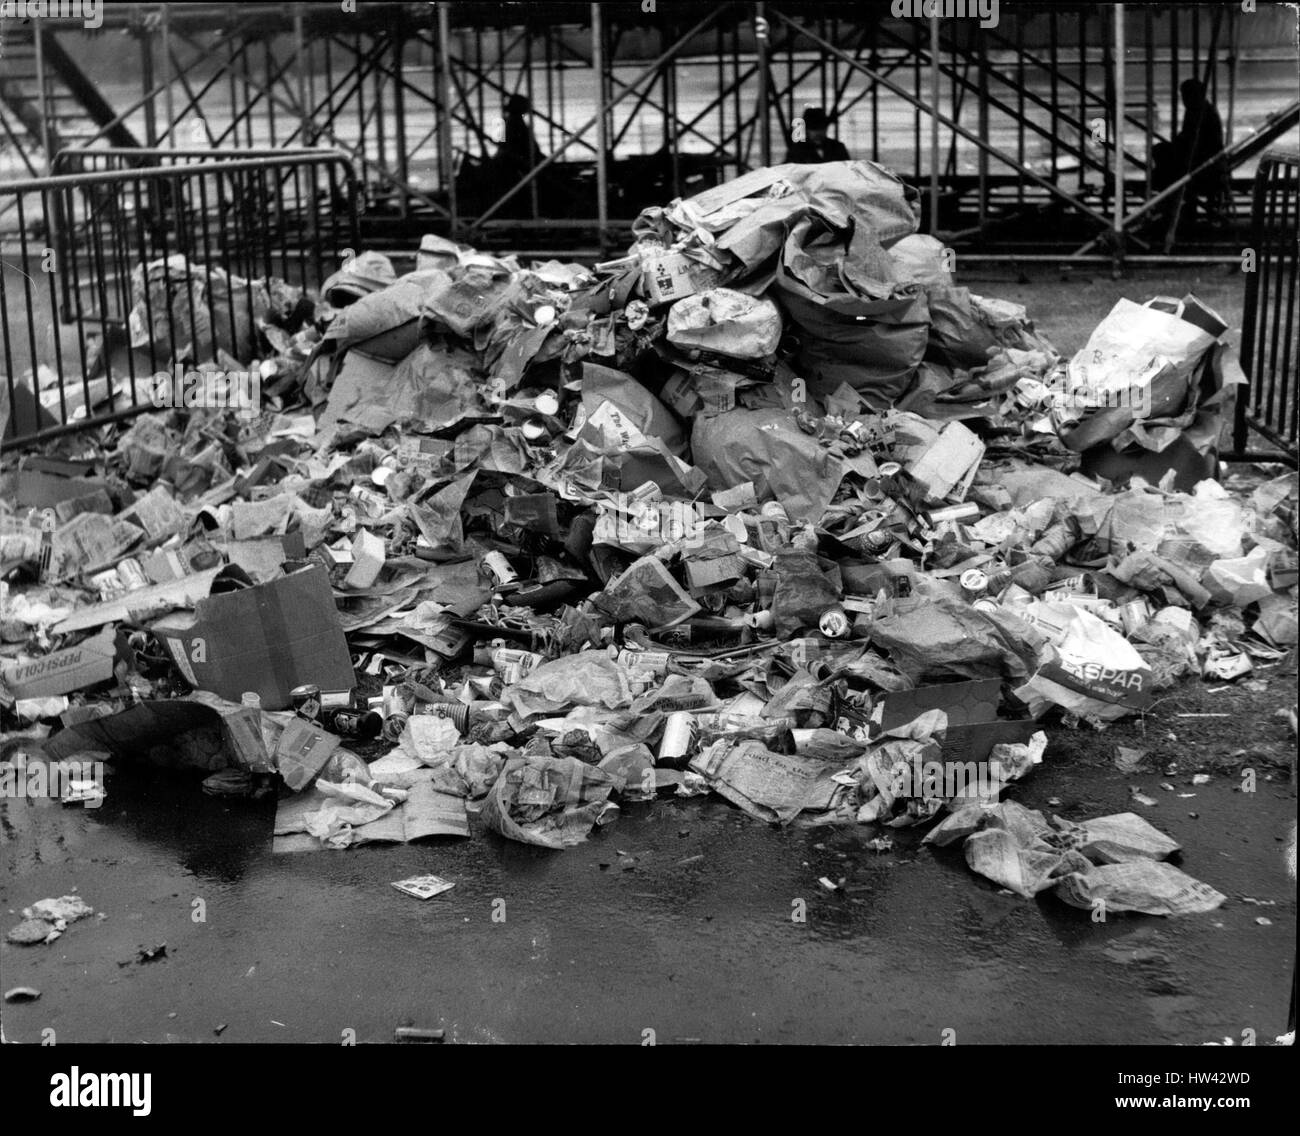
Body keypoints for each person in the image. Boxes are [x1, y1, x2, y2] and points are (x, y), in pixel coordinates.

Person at [1152, 79, 1228, 224]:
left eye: (1185, 95)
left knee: (1161, 155)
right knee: (1162, 153)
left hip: (1204, 162)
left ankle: (1171, 202)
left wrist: (1175, 144)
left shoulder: (1199, 111)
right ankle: (1171, 201)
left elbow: (1191, 139)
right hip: (1202, 158)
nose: (1183, 100)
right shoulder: (1202, 109)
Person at [785, 107, 849, 164]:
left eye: (821, 128)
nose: (818, 133)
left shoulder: (838, 147)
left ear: (826, 128)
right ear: (807, 130)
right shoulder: (797, 150)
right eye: (814, 129)